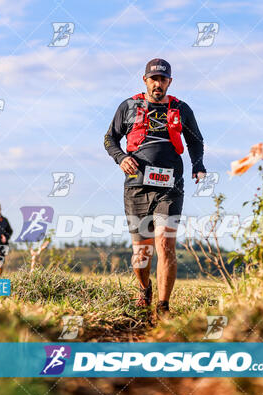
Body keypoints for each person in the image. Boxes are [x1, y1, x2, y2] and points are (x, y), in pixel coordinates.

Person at [104, 58, 207, 318]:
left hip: (170, 186)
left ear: (169, 82)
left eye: (163, 79)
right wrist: (121, 158)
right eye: (154, 79)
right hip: (136, 186)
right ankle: (144, 288)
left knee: (165, 243)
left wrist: (198, 164)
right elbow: (110, 138)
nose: (158, 83)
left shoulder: (181, 108)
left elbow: (195, 140)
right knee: (142, 251)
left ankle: (163, 306)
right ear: (145, 80)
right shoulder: (128, 106)